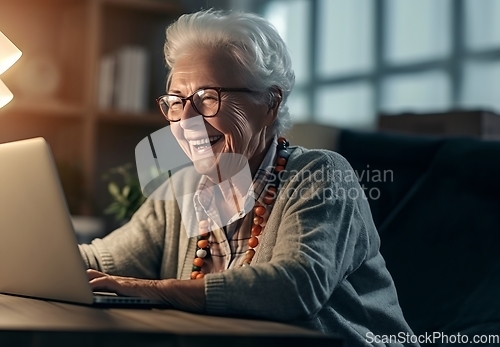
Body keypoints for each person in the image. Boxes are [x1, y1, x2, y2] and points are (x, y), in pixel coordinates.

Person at [80, 9, 418, 346]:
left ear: (270, 104)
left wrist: (159, 291)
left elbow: (295, 287)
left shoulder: (322, 175)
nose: (186, 121)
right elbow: (102, 261)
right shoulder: (179, 190)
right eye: (176, 101)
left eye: (207, 98)